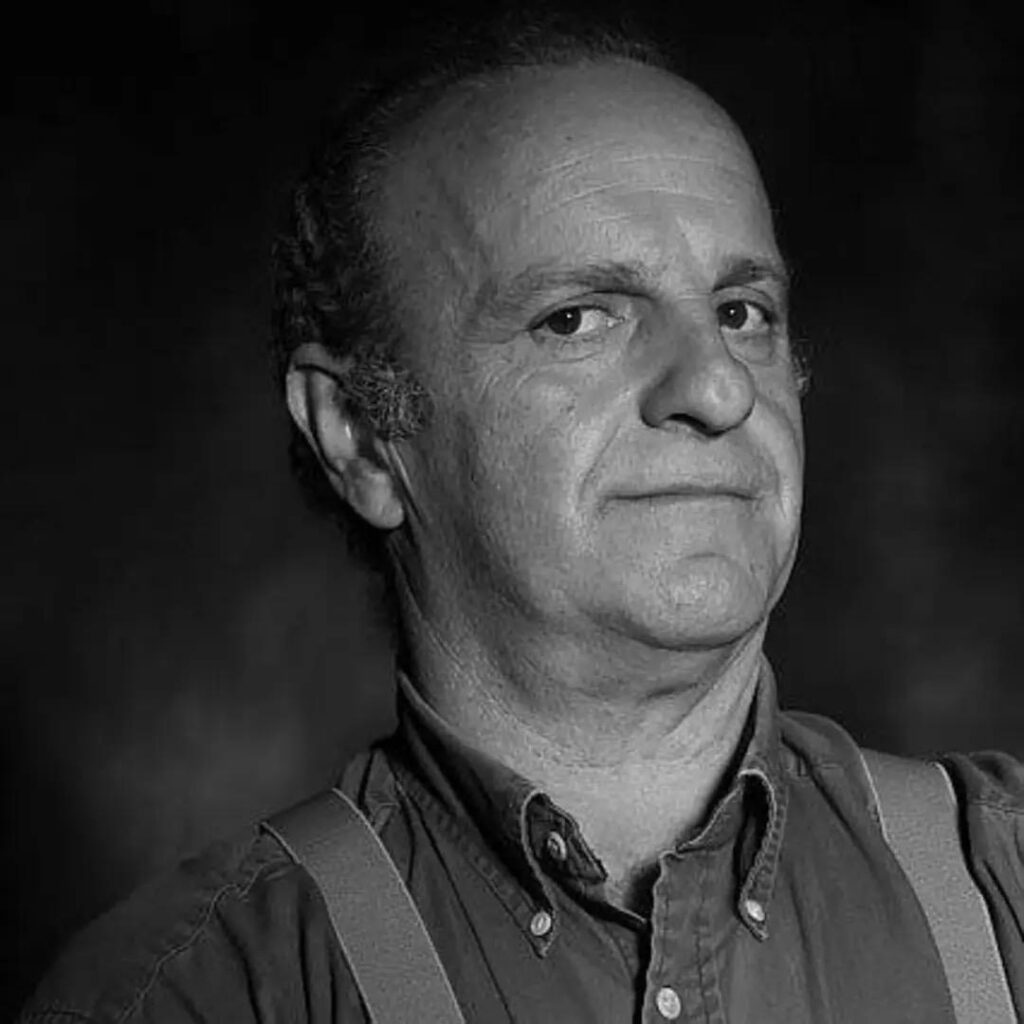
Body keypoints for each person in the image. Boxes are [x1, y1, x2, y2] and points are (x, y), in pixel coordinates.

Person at [19, 15, 1024, 1024]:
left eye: (740, 312)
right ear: (360, 437)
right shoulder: (200, 996)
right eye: (576, 319)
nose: (719, 388)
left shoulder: (1008, 883)